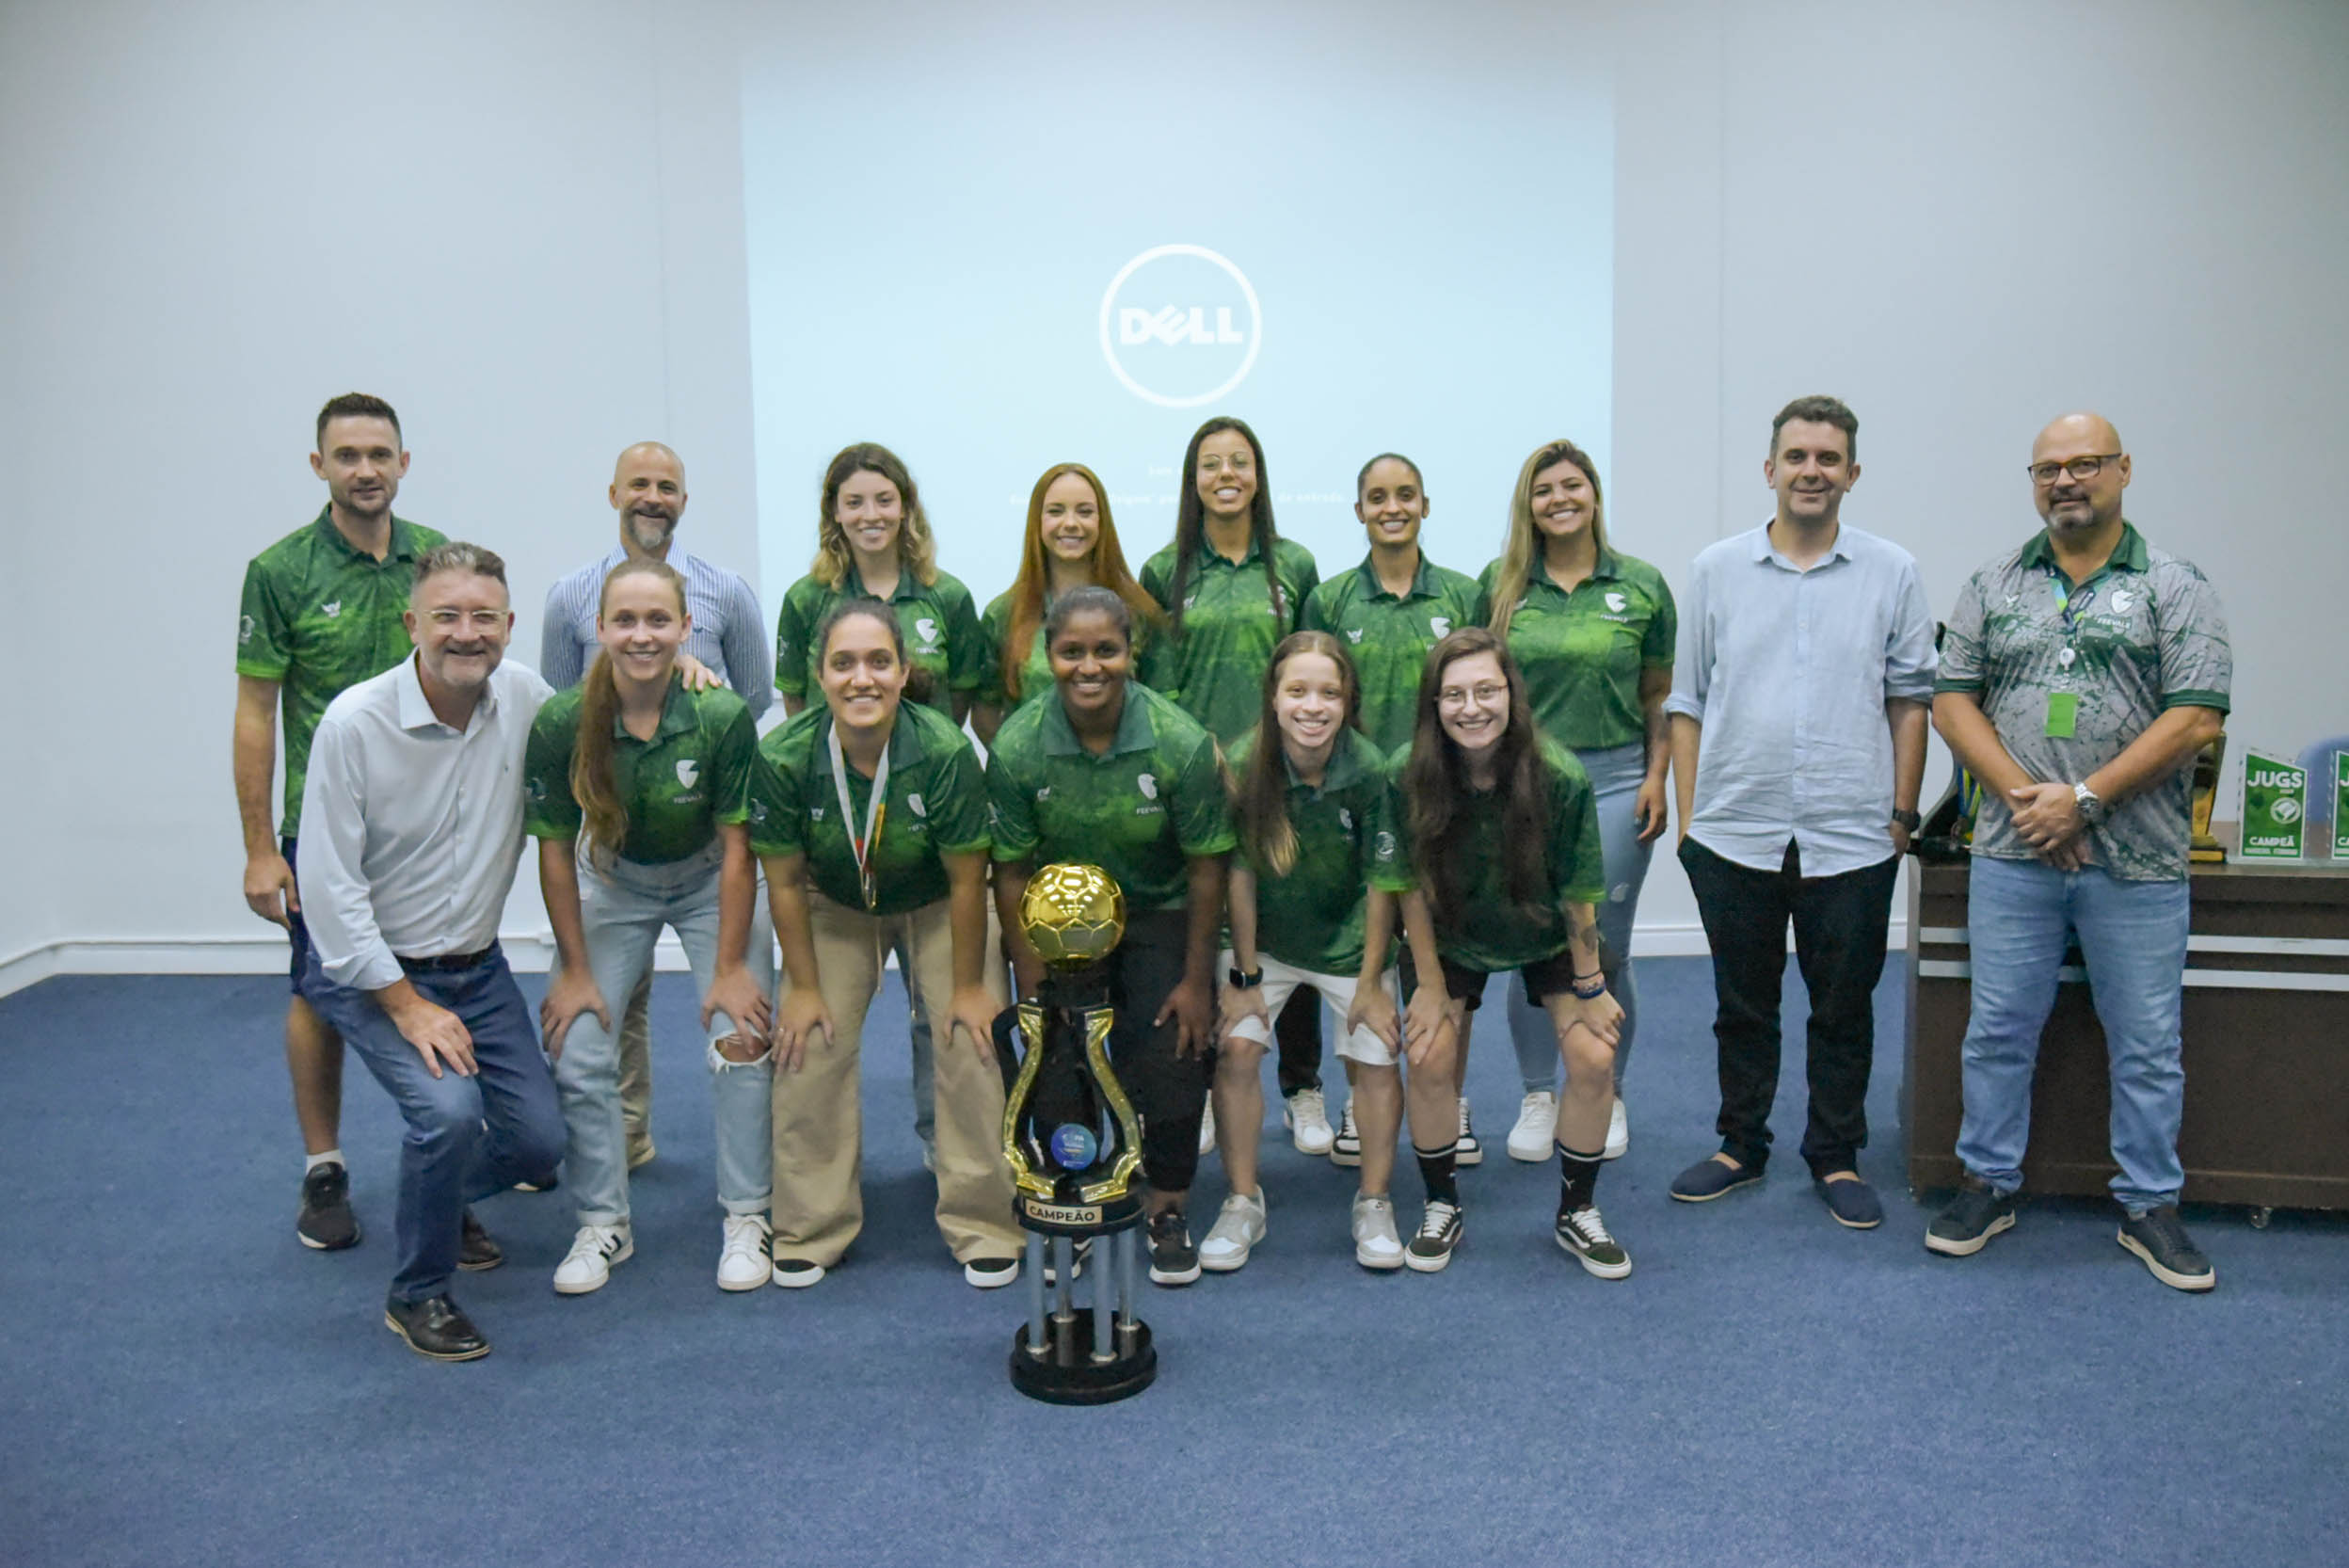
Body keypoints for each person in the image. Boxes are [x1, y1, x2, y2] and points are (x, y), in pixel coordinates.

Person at [1926, 413, 2230, 1290]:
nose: (2066, 481)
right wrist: (2034, 807)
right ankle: (1986, 1182)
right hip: (2015, 856)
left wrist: (2084, 802)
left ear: (2123, 470)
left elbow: (2197, 716)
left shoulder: (2177, 585)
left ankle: (2149, 1205)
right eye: (2048, 468)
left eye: (2085, 464)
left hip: (2137, 863)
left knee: (2145, 1043)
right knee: (1998, 1033)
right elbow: (1953, 705)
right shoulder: (1993, 583)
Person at [1665, 395, 1936, 1229]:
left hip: (1853, 833)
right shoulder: (1717, 569)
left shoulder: (1893, 571)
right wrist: (1688, 824)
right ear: (1770, 469)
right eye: (1796, 457)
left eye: (1827, 458)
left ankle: (1835, 1154)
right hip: (1735, 829)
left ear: (1852, 473)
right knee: (1742, 1005)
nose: (1811, 471)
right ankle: (1740, 1145)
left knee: (1842, 1007)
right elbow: (1687, 702)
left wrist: (1900, 814)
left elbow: (1911, 701)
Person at [293, 542, 565, 1361]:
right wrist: (406, 1006)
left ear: (509, 627)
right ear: (412, 623)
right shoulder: (353, 725)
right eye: (446, 616)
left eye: (484, 617)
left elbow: (606, 723)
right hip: (368, 969)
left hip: (475, 965)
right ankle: (417, 1292)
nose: (465, 633)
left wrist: (689, 675)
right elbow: (331, 893)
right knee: (449, 1116)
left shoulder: (525, 699)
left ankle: (437, 1197)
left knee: (540, 1145)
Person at [752, 601, 1021, 1288]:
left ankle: (984, 1221)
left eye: (879, 662)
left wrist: (967, 990)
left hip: (937, 903)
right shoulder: (785, 755)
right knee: (807, 1044)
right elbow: (782, 882)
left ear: (905, 672)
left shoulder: (944, 750)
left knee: (971, 1040)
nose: (861, 679)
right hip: (835, 906)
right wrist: (804, 989)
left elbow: (969, 881)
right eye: (843, 664)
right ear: (819, 677)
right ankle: (810, 1226)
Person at [526, 559, 775, 1296]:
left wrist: (731, 967)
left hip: (708, 883)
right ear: (598, 629)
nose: (642, 635)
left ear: (685, 628)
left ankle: (748, 1215)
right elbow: (552, 852)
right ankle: (603, 1224)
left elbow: (738, 850)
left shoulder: (721, 715)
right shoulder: (564, 720)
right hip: (615, 883)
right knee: (578, 1045)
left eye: (658, 620)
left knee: (743, 1037)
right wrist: (572, 971)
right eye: (625, 621)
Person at [235, 392, 446, 1253]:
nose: (366, 469)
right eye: (348, 455)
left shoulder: (436, 561)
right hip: (320, 833)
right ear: (319, 466)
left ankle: (447, 1174)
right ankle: (325, 1166)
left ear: (404, 463)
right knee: (318, 993)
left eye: (380, 454)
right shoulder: (280, 571)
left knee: (430, 985)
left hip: (426, 827)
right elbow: (256, 713)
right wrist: (259, 850)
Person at [986, 587, 1234, 1286]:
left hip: (1160, 915)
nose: (1089, 666)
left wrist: (1196, 982)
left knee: (1173, 1056)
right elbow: (1009, 875)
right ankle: (1078, 1197)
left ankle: (1166, 1206)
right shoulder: (1018, 745)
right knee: (1060, 1058)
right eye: (1072, 652)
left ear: (1131, 654)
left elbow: (1207, 866)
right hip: (1061, 928)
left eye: (1106, 650)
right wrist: (1029, 975)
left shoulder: (1179, 742)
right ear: (1049, 655)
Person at [541, 441, 771, 1174]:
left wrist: (692, 712)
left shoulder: (726, 591)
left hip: (704, 838)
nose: (652, 496)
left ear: (684, 500)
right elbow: (562, 699)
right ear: (613, 493)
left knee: (743, 1020)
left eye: (667, 486)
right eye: (638, 484)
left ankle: (751, 1196)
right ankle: (627, 1143)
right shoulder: (569, 594)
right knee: (613, 1008)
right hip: (615, 852)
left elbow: (754, 695)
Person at [772, 442, 985, 1169]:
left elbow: (965, 709)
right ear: (834, 513)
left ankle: (941, 1144)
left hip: (927, 827)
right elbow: (801, 714)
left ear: (907, 507)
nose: (871, 514)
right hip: (840, 830)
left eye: (884, 499)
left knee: (944, 1014)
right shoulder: (807, 602)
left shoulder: (946, 597)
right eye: (853, 501)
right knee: (828, 1024)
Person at [1389, 629, 1624, 1275]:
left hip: (1546, 928)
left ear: (1511, 695)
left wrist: (1591, 983)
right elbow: (1407, 888)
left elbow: (1579, 895)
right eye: (1454, 695)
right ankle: (1442, 1204)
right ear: (1434, 705)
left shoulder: (1560, 776)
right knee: (1429, 1054)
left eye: (1486, 691)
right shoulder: (1405, 776)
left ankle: (1577, 1209)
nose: (1472, 708)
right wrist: (1431, 985)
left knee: (1594, 1056)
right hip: (1450, 931)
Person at [1477, 440, 1676, 1166]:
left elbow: (1659, 696)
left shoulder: (1643, 585)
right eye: (1543, 490)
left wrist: (1659, 778)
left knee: (1604, 946)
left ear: (1593, 494)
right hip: (1522, 790)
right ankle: (1538, 1093)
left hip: (1621, 782)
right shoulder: (1499, 590)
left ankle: (1605, 1090)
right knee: (1534, 943)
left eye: (1573, 486)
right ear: (1527, 505)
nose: (1559, 499)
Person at [1138, 417, 1325, 1157]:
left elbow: (1314, 670)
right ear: (1193, 481)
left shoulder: (1296, 565)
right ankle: (1209, 1084)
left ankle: (1303, 1088)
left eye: (1239, 462)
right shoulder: (1165, 571)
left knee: (1288, 918)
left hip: (1281, 771)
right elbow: (1158, 684)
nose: (1226, 475)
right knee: (1208, 926)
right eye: (1211, 464)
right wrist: (1199, 756)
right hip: (1200, 773)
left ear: (1257, 475)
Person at [1207, 632, 1422, 1272]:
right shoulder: (1243, 764)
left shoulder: (1374, 770)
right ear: (1273, 699)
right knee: (1237, 1047)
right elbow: (1238, 877)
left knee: (1378, 1053)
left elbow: (1383, 882)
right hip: (1264, 943)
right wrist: (1243, 976)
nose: (1313, 706)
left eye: (1329, 693)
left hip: (1353, 942)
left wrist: (1370, 981)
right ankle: (1244, 1200)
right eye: (1297, 691)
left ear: (1348, 700)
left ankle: (1375, 1201)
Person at [1297, 452, 1478, 1166]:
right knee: (1361, 952)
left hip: (1445, 802)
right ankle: (1357, 1095)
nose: (1392, 507)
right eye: (1377, 497)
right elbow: (1315, 695)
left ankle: (1450, 1099)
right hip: (1359, 802)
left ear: (1426, 506)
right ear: (1359, 511)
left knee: (1447, 963)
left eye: (1405, 495)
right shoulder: (1333, 600)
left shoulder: (1461, 596)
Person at [972, 461, 1164, 745]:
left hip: (1124, 783)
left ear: (1102, 521)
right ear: (1037, 522)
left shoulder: (1139, 611)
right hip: (1036, 785)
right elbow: (985, 714)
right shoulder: (1002, 614)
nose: (1071, 523)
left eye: (1085, 512)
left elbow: (1164, 712)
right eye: (1055, 511)